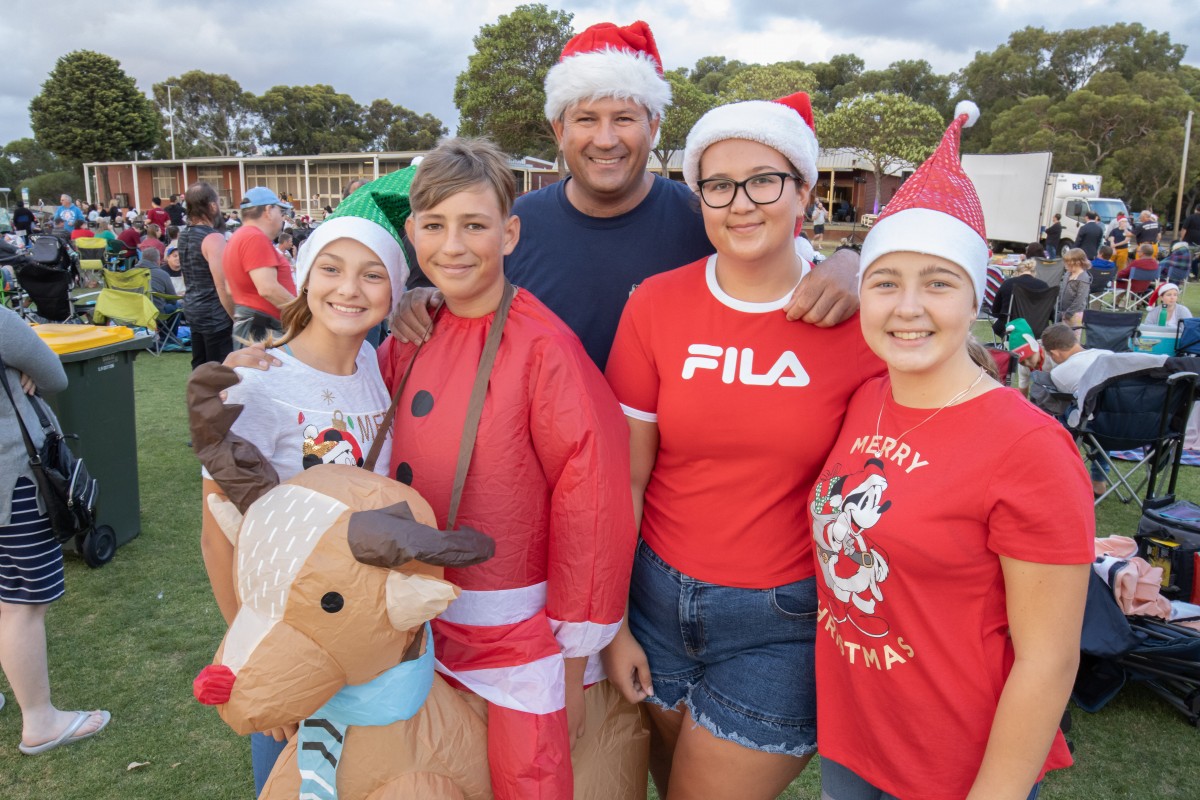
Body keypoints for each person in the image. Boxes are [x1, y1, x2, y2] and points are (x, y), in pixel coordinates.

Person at [603, 92, 883, 800]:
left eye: (764, 180)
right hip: (653, 601)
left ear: (804, 191)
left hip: (781, 621)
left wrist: (860, 259)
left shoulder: (859, 322)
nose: (741, 203)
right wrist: (610, 624)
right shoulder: (656, 305)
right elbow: (625, 479)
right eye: (718, 185)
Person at [813, 102, 1093, 800]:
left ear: (975, 302)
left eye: (938, 282)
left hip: (956, 770)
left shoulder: (1029, 447)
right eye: (886, 281)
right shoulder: (866, 396)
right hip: (854, 744)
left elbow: (1049, 659)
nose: (907, 307)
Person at [377, 139, 636, 799]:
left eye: (474, 225)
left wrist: (576, 653)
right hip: (413, 623)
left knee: (530, 781)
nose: (453, 245)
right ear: (412, 233)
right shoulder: (408, 335)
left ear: (510, 232)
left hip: (516, 639)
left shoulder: (545, 347)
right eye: (434, 226)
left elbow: (590, 501)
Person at [392, 20, 859, 371]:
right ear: (559, 129)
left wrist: (853, 263)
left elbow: (784, 262)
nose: (606, 139)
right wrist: (419, 299)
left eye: (624, 118)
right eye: (587, 119)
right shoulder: (512, 224)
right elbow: (445, 282)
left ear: (653, 126)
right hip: (535, 463)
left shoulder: (706, 217)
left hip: (663, 467)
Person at [191, 175, 411, 795]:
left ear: (394, 289)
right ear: (305, 277)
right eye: (331, 268)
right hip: (286, 637)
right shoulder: (258, 384)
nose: (349, 289)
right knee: (292, 781)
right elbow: (217, 537)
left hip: (360, 629)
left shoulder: (379, 363)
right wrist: (252, 660)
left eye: (373, 274)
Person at [0, 307, 111, 755]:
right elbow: (54, 375)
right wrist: (24, 369)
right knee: (21, 605)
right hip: (12, 481)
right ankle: (40, 720)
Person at [222, 188, 297, 347]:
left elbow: (229, 290)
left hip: (252, 327)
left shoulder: (237, 238)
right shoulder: (254, 237)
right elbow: (268, 289)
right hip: (263, 330)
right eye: (280, 211)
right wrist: (302, 314)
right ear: (268, 210)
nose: (282, 217)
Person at [179, 182, 234, 369]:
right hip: (214, 315)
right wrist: (237, 317)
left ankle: (198, 399)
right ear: (212, 206)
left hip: (193, 309)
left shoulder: (183, 236)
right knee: (219, 372)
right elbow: (222, 285)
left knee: (200, 368)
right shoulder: (214, 238)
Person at [990, 259, 1048, 337]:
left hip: (1011, 326)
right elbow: (1050, 313)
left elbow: (995, 310)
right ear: (1034, 273)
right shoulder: (1043, 286)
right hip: (1038, 327)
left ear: (1017, 272)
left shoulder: (1008, 284)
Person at [1058, 247, 1092, 328]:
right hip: (1063, 311)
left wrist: (1069, 313)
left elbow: (1080, 299)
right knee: (1062, 336)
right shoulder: (1068, 274)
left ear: (1077, 263)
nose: (1066, 265)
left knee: (1073, 338)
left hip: (1076, 314)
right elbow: (1062, 290)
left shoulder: (1083, 278)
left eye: (1068, 263)